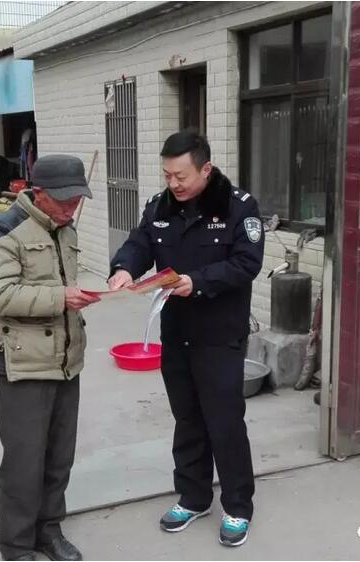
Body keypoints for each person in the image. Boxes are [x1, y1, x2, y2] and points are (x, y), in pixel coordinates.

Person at [108, 131, 264, 547]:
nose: (173, 183)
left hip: (219, 334)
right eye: (167, 175)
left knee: (224, 422)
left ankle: (237, 505)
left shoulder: (238, 207)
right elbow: (140, 242)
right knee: (187, 418)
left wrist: (198, 282)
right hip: (176, 333)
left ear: (205, 169)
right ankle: (194, 497)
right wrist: (124, 267)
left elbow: (246, 263)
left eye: (181, 176)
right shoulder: (159, 206)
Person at [0, 154, 99, 561]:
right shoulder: (6, 228)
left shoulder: (65, 228)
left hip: (66, 360)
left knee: (59, 457)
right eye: (63, 201)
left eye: (76, 200)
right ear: (39, 193)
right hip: (25, 364)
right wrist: (61, 297)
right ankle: (16, 546)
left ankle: (49, 530)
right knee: (24, 462)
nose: (70, 208)